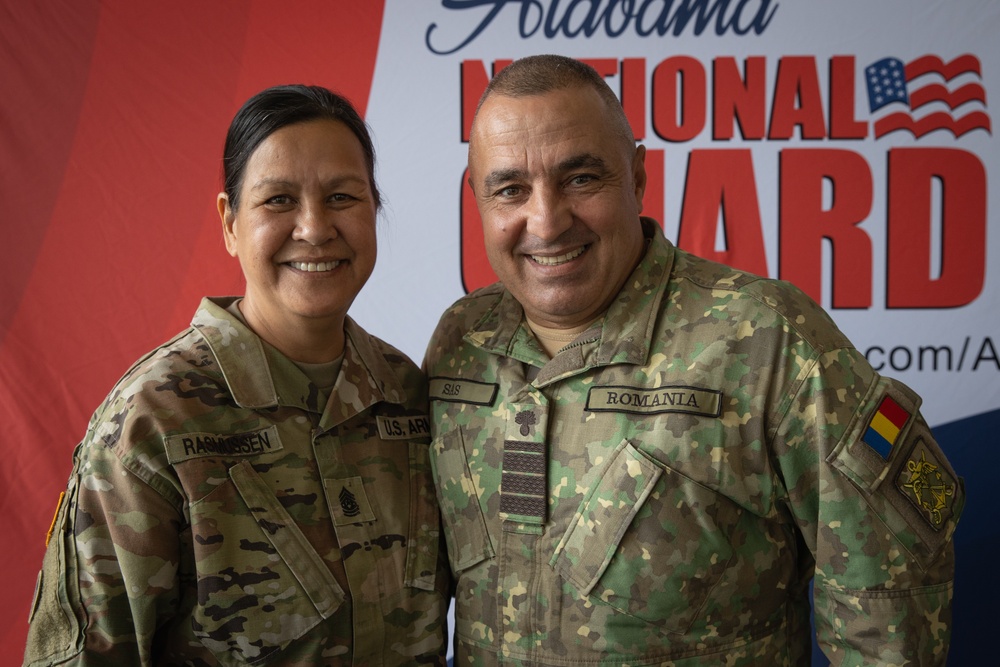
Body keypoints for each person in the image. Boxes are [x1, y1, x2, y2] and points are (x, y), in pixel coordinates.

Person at [424, 54, 963, 666]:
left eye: (580, 179)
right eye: (511, 189)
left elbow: (888, 607)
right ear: (478, 199)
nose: (546, 221)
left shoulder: (767, 337)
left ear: (637, 177)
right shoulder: (461, 339)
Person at [24, 85, 449, 666]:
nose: (315, 227)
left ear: (375, 209)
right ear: (229, 222)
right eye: (278, 200)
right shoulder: (154, 421)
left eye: (342, 196)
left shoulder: (408, 395)